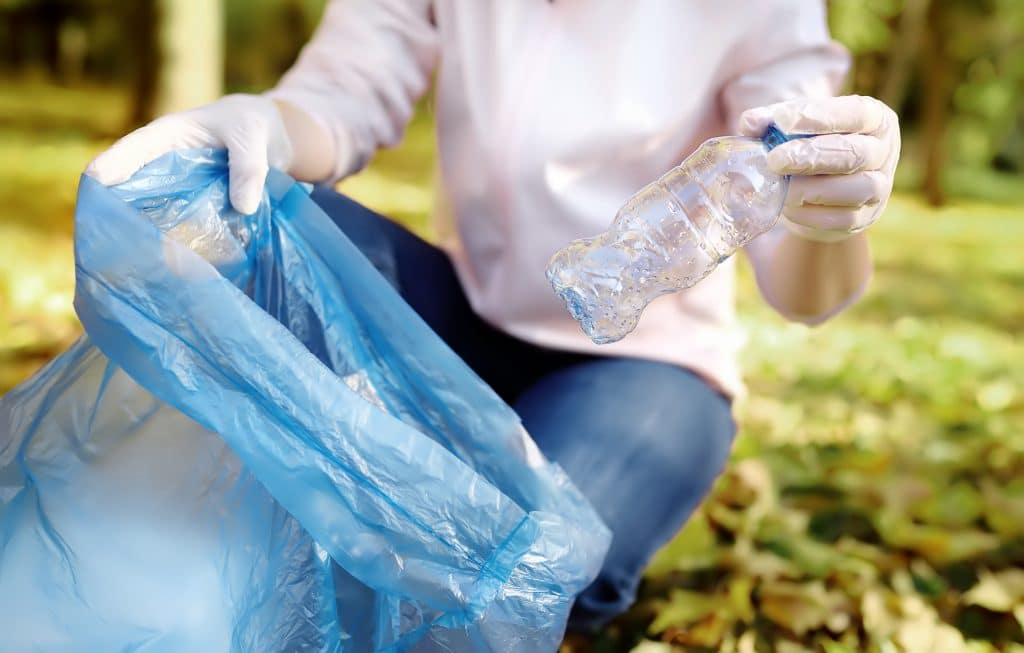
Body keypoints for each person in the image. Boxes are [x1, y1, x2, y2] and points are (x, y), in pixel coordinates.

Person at [86, 0, 900, 632]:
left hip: (644, 369)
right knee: (269, 225)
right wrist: (258, 122)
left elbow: (807, 292)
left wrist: (836, 210)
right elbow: (342, 96)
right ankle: (247, 539)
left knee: (533, 569)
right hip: (459, 317)